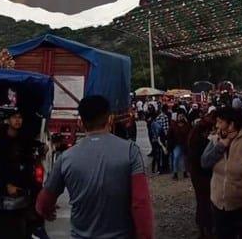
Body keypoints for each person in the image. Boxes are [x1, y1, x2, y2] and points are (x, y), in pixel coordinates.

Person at [35, 95, 153, 239]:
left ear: (81, 123)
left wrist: (47, 212)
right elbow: (140, 203)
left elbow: (43, 202)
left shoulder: (66, 158)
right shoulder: (130, 152)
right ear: (109, 119)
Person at [201, 107, 242, 239]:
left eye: (220, 122)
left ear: (231, 124)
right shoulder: (215, 140)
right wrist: (221, 146)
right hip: (219, 206)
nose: (217, 125)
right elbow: (205, 162)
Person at [0, 110, 47, 239]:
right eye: (14, 117)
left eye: (20, 117)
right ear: (8, 120)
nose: (18, 120)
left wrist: (43, 147)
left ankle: (37, 228)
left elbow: (32, 149)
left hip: (18, 175)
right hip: (2, 177)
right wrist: (7, 185)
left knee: (37, 189)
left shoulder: (23, 137)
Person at [188, 109, 216, 238]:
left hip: (196, 175)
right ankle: (207, 229)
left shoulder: (193, 137)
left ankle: (203, 229)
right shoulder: (203, 142)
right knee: (206, 202)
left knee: (201, 202)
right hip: (204, 176)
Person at [170, 110, 191, 180]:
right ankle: (175, 173)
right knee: (176, 157)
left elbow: (189, 133)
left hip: (184, 144)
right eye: (179, 116)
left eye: (182, 116)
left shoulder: (186, 125)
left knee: (183, 159)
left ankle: (184, 172)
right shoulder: (174, 125)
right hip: (177, 144)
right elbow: (170, 135)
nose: (180, 117)